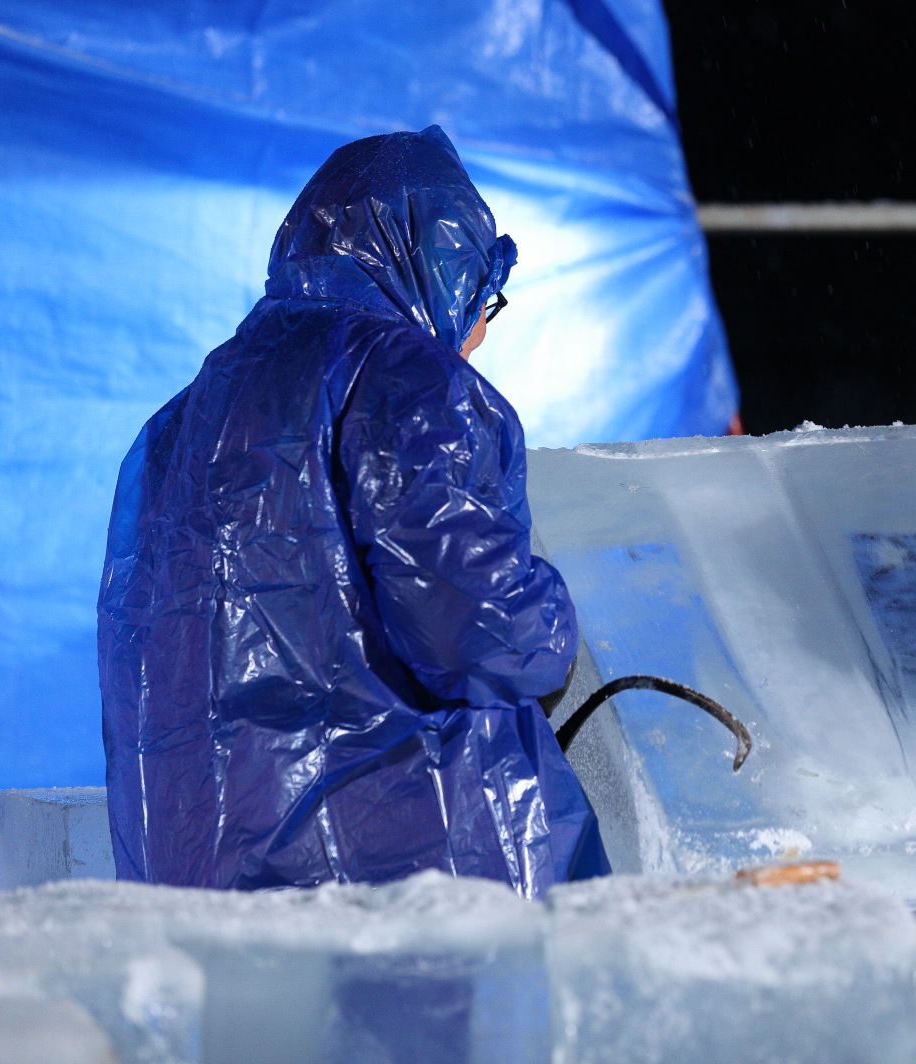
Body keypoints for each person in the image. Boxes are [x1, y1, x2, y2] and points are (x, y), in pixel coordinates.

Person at [98, 126, 609, 895]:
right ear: (441, 270)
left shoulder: (177, 425)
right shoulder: (410, 382)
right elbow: (477, 623)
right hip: (407, 867)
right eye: (481, 298)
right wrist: (562, 615)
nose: (474, 333)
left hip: (201, 878)